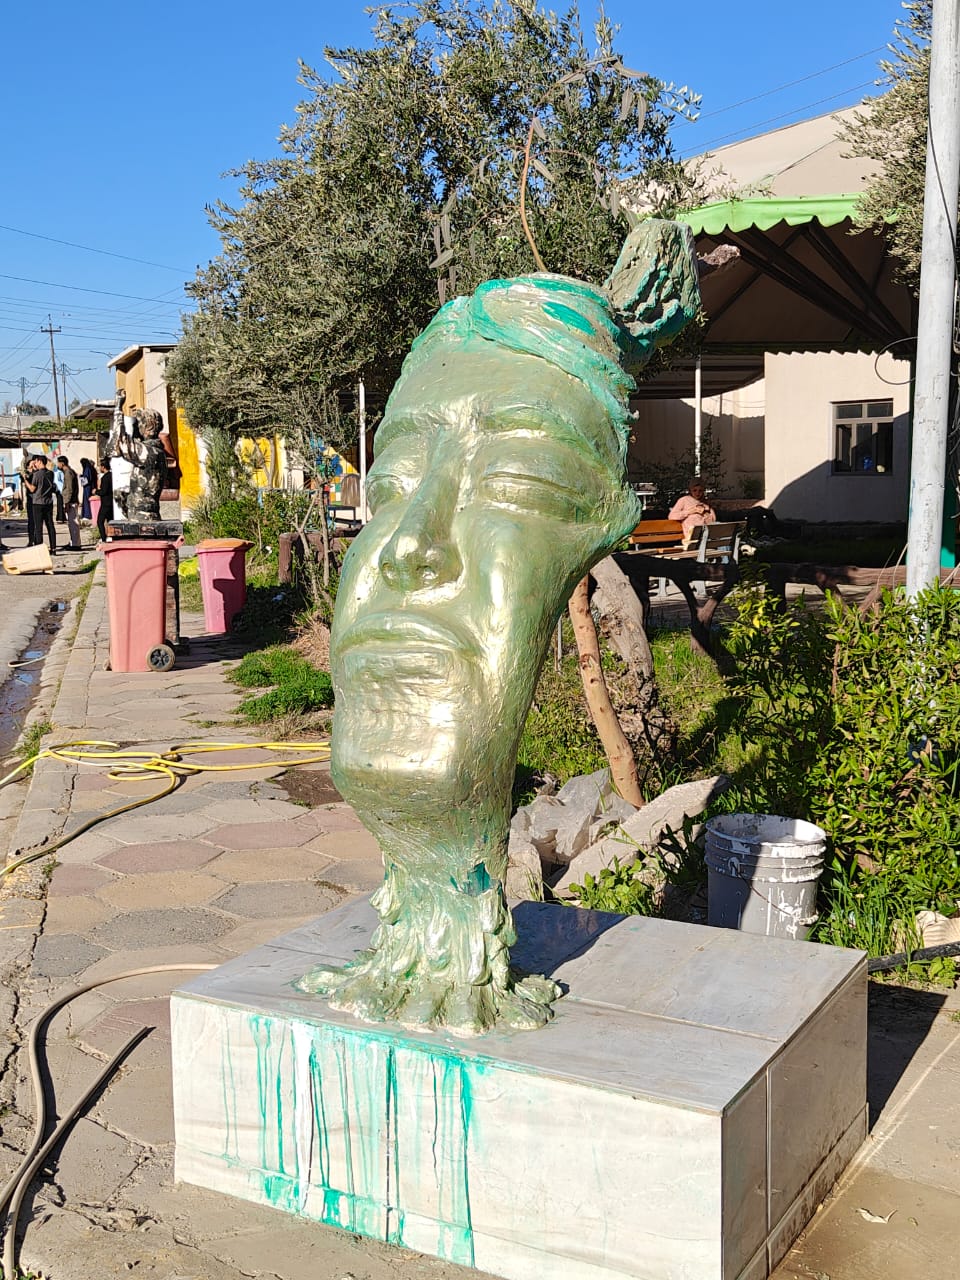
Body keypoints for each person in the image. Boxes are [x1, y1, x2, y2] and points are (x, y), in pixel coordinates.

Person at [295, 222, 701, 1035]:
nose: (409, 545)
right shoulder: (401, 550)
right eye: (392, 484)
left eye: (517, 478)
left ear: (603, 528)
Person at [24, 455, 56, 555]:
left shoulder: (37, 475)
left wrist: (25, 480)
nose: (35, 464)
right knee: (50, 525)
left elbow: (32, 489)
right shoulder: (51, 473)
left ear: (40, 461)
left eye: (36, 462)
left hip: (38, 503)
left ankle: (39, 549)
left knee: (38, 527)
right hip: (48, 502)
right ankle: (53, 548)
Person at [668, 477, 717, 543]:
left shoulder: (705, 502)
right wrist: (690, 511)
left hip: (706, 535)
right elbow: (672, 516)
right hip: (692, 537)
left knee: (724, 538)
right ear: (690, 490)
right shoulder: (684, 500)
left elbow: (713, 520)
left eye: (700, 491)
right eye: (694, 490)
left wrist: (705, 514)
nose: (697, 493)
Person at [57, 455, 82, 550]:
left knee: (73, 523)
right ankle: (73, 542)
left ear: (62, 463)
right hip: (72, 500)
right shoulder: (70, 472)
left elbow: (69, 489)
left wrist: (67, 503)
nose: (57, 465)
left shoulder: (68, 473)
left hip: (71, 501)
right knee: (72, 523)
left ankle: (75, 544)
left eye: (58, 463)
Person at [95, 462, 113, 542]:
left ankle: (103, 537)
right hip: (111, 502)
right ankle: (111, 536)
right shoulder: (112, 476)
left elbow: (104, 491)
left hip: (106, 503)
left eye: (100, 467)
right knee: (110, 521)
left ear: (103, 467)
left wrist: (96, 491)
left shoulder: (105, 477)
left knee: (100, 521)